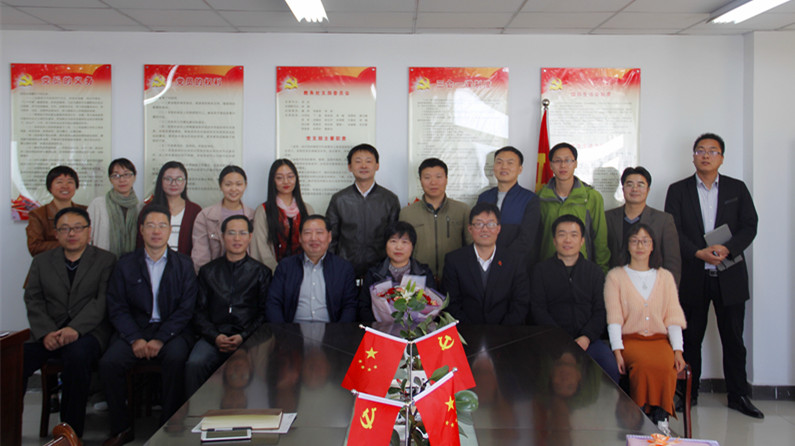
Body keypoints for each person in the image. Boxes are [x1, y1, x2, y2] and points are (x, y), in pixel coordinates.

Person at [664, 133, 762, 418]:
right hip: (693, 273)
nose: (705, 155)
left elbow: (750, 225)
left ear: (722, 157)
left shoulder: (736, 188)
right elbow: (673, 228)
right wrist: (697, 253)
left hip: (729, 274)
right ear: (693, 156)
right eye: (700, 150)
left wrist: (728, 248)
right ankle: (686, 394)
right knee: (690, 338)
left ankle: (738, 395)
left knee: (733, 338)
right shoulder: (678, 190)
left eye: (712, 151)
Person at [100, 205, 197, 446]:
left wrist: (161, 338)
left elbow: (186, 309)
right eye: (150, 226)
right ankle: (121, 428)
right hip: (134, 331)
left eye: (162, 226)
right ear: (141, 230)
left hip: (171, 332)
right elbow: (117, 307)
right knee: (109, 363)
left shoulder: (184, 264)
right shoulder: (125, 264)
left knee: (177, 359)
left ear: (170, 231)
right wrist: (135, 338)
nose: (156, 231)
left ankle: (169, 424)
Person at [22, 207, 116, 437]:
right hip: (49, 332)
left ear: (88, 231)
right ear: (56, 233)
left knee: (77, 357)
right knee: (14, 358)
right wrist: (46, 332)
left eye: (77, 228)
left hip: (88, 332)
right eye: (64, 229)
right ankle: (9, 425)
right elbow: (33, 299)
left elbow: (102, 301)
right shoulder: (42, 262)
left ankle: (69, 434)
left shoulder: (105, 260)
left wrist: (75, 329)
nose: (71, 233)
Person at [604, 223, 687, 435]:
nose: (640, 246)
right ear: (627, 245)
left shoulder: (665, 277)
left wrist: (678, 350)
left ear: (652, 246)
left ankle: (661, 418)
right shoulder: (615, 277)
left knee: (666, 365)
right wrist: (617, 351)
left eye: (645, 241)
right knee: (642, 365)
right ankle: (638, 417)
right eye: (634, 241)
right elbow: (614, 319)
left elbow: (673, 318)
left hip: (659, 340)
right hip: (631, 340)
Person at [186, 215, 271, 397]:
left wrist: (243, 336)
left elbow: (264, 314)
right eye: (231, 233)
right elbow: (198, 312)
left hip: (249, 338)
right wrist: (215, 336)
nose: (237, 238)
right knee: (195, 364)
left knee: (267, 365)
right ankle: (194, 410)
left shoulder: (261, 272)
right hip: (213, 337)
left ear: (250, 237)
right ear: (222, 236)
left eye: (242, 233)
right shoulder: (208, 271)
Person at [529, 214, 619, 384]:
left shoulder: (595, 272)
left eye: (574, 235)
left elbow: (601, 311)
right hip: (552, 340)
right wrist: (559, 338)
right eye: (562, 234)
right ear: (554, 240)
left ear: (582, 240)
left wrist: (586, 337)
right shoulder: (541, 271)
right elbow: (538, 309)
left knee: (609, 367)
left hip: (588, 340)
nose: (568, 240)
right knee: (533, 368)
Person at [443, 203, 530, 325]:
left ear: (498, 228)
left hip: (506, 331)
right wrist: (472, 331)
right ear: (470, 229)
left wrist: (501, 331)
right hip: (467, 331)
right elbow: (451, 304)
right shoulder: (454, 260)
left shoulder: (514, 261)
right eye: (478, 224)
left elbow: (520, 303)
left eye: (491, 224)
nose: (485, 229)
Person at [265, 215, 358, 323]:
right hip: (292, 330)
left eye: (319, 232)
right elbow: (273, 303)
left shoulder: (343, 268)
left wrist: (339, 331)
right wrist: (282, 330)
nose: (313, 238)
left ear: (329, 237)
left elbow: (350, 306)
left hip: (332, 330)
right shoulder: (285, 267)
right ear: (300, 238)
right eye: (307, 233)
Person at [326, 144, 400, 278]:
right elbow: (330, 238)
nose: (364, 166)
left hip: (380, 271)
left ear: (377, 166)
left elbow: (394, 238)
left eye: (368, 161)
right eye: (358, 161)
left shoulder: (390, 199)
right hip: (345, 269)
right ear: (350, 167)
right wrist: (333, 266)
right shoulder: (339, 199)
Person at [538, 142, 610, 272]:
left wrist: (603, 271)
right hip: (548, 269)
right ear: (551, 165)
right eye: (557, 161)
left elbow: (600, 239)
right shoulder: (540, 198)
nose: (563, 165)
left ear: (575, 163)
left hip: (583, 269)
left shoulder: (591, 197)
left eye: (568, 160)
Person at [400, 158, 471, 284]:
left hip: (455, 278)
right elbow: (402, 249)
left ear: (446, 179)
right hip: (419, 279)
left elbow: (471, 247)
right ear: (420, 180)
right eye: (427, 177)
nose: (433, 182)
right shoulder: (407, 213)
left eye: (439, 177)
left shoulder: (462, 210)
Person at [606, 167, 681, 286]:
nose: (635, 189)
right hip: (616, 286)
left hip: (652, 288)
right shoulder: (608, 218)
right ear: (623, 188)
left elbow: (672, 262)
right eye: (629, 184)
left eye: (640, 185)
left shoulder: (664, 220)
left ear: (648, 189)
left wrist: (669, 290)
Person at [477, 146, 540, 272]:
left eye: (510, 163)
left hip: (516, 267)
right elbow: (477, 231)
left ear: (520, 169)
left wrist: (501, 261)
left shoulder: (529, 199)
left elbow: (526, 239)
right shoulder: (484, 197)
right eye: (499, 162)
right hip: (485, 265)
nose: (504, 167)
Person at [358, 221, 435, 322]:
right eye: (393, 241)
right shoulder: (374, 274)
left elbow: (433, 305)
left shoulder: (424, 273)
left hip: (416, 329)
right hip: (381, 328)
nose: (398, 247)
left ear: (412, 246)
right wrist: (379, 326)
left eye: (404, 242)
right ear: (385, 245)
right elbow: (363, 307)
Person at [251, 159, 314, 271]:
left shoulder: (307, 209)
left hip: (304, 271)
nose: (286, 181)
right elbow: (260, 245)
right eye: (279, 178)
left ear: (296, 178)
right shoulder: (264, 210)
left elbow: (312, 242)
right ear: (273, 180)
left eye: (290, 176)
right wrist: (277, 271)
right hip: (272, 272)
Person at [192, 165, 255, 273]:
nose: (233, 189)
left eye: (238, 184)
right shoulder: (205, 216)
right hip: (213, 276)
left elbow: (256, 252)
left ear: (245, 185)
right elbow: (200, 255)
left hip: (248, 275)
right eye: (228, 184)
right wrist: (207, 277)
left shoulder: (253, 216)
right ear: (220, 186)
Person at [136, 161, 202, 256]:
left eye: (179, 179)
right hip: (154, 262)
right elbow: (140, 242)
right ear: (160, 181)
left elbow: (199, 246)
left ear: (185, 182)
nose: (173, 183)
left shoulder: (195, 211)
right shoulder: (149, 209)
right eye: (168, 179)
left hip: (185, 264)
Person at [26, 165, 86, 256]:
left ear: (76, 186)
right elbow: (34, 247)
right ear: (50, 187)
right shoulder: (37, 214)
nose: (65, 186)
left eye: (70, 182)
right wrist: (70, 243)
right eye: (59, 182)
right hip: (51, 262)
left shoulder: (85, 211)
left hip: (82, 262)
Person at [87, 158, 142, 258]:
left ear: (134, 177)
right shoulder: (97, 205)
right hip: (102, 262)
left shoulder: (140, 207)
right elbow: (86, 237)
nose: (122, 180)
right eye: (116, 175)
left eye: (126, 174)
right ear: (110, 179)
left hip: (133, 263)